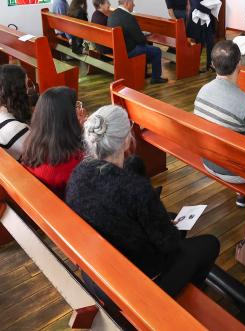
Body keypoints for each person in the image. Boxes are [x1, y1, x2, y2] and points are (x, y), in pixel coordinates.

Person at [66, 105, 220, 297]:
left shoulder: (77, 176)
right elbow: (169, 243)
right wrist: (168, 229)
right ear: (126, 141)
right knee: (210, 243)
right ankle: (184, 297)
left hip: (99, 267)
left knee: (171, 218)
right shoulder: (135, 189)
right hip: (137, 282)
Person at [194, 40, 245, 206]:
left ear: (212, 64)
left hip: (208, 159)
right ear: (240, 63)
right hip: (236, 172)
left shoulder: (203, 90)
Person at [20, 86, 86, 197]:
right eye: (75, 106)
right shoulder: (74, 161)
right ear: (66, 118)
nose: (80, 109)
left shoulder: (33, 144)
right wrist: (83, 132)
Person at [108, 0, 167, 84]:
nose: (134, 5)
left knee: (147, 47)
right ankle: (156, 78)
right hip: (129, 50)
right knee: (156, 51)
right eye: (133, 3)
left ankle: (143, 73)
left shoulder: (112, 15)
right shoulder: (128, 17)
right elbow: (140, 39)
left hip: (118, 49)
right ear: (127, 3)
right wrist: (145, 37)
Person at [0, 64, 33, 160]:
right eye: (26, 85)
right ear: (19, 90)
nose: (28, 89)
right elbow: (39, 155)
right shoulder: (18, 129)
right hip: (19, 170)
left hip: (2, 159)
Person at [186, 0, 217, 72]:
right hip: (196, 21)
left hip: (205, 20)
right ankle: (194, 66)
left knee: (210, 42)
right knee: (199, 45)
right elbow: (196, 5)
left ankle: (210, 64)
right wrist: (209, 9)